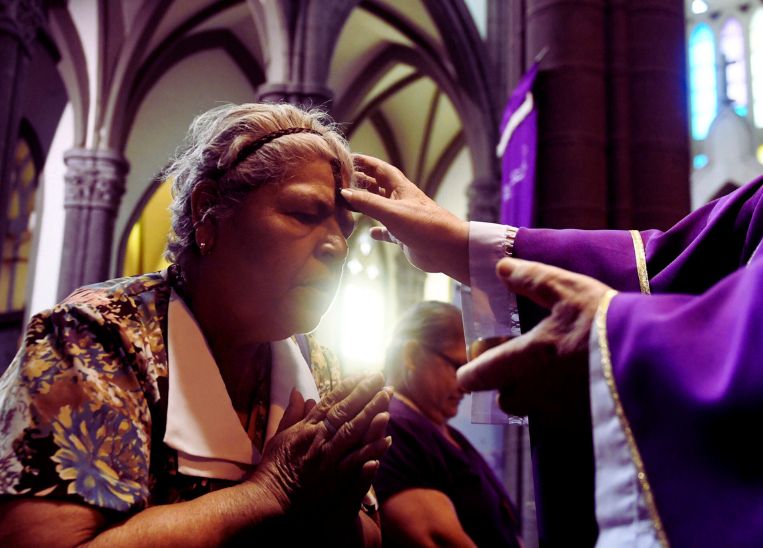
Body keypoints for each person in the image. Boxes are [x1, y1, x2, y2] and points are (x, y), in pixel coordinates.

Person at [0, 104, 393, 545]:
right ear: (208, 210)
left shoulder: (322, 367)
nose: (337, 247)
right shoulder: (93, 338)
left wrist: (333, 511)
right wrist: (270, 490)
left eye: (346, 229)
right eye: (303, 213)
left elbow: (369, 536)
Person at [340, 154, 763, 546]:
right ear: (412, 356)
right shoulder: (401, 428)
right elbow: (682, 259)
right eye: (308, 214)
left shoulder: (449, 440)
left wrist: (611, 338)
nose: (463, 382)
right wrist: (463, 243)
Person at [374, 301, 521, 547]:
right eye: (458, 367)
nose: (466, 386)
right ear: (412, 355)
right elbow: (434, 538)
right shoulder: (392, 428)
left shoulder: (444, 432)